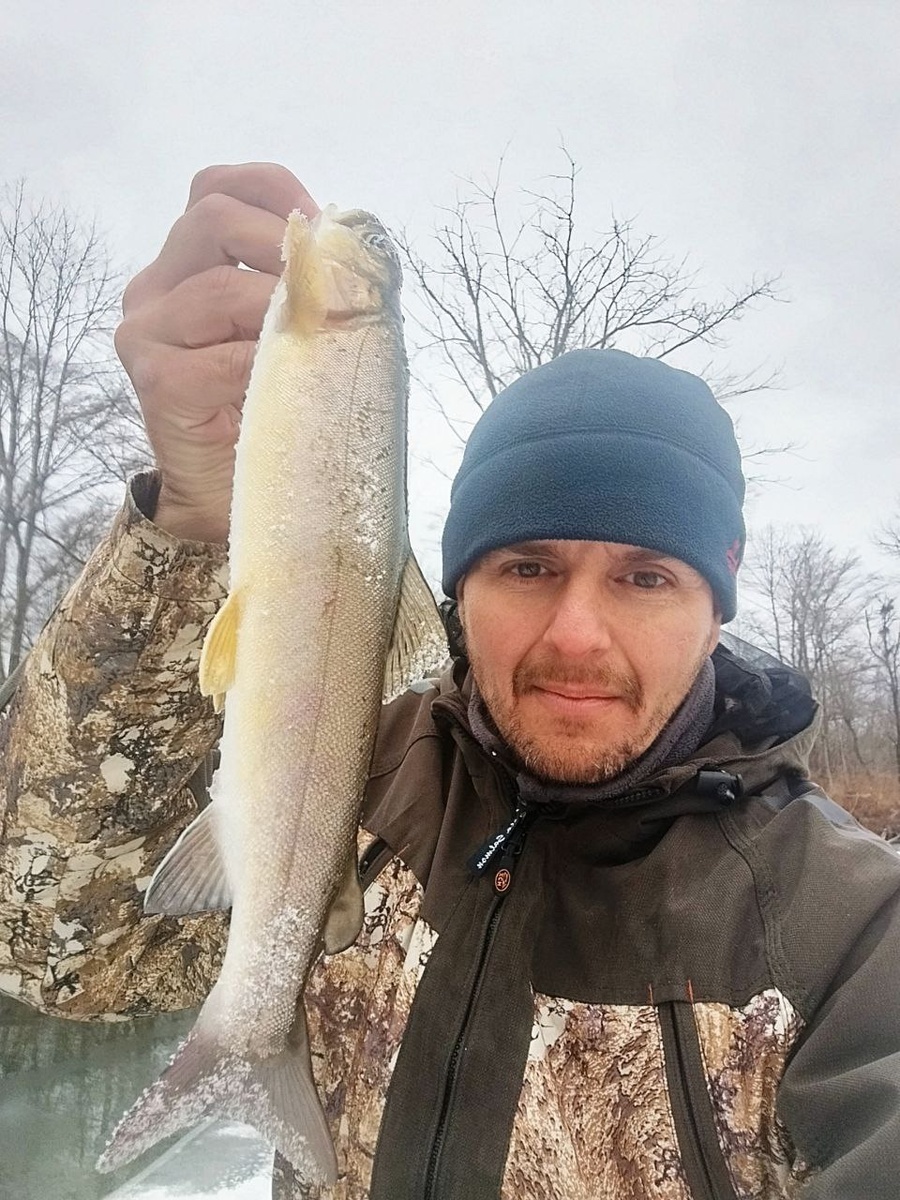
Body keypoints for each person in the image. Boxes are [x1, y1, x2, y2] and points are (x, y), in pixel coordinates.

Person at [1, 162, 898, 1200]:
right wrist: (196, 519)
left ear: (717, 601)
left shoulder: (852, 930)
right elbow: (55, 951)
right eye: (528, 568)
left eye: (646, 577)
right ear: (456, 589)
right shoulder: (358, 778)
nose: (576, 634)